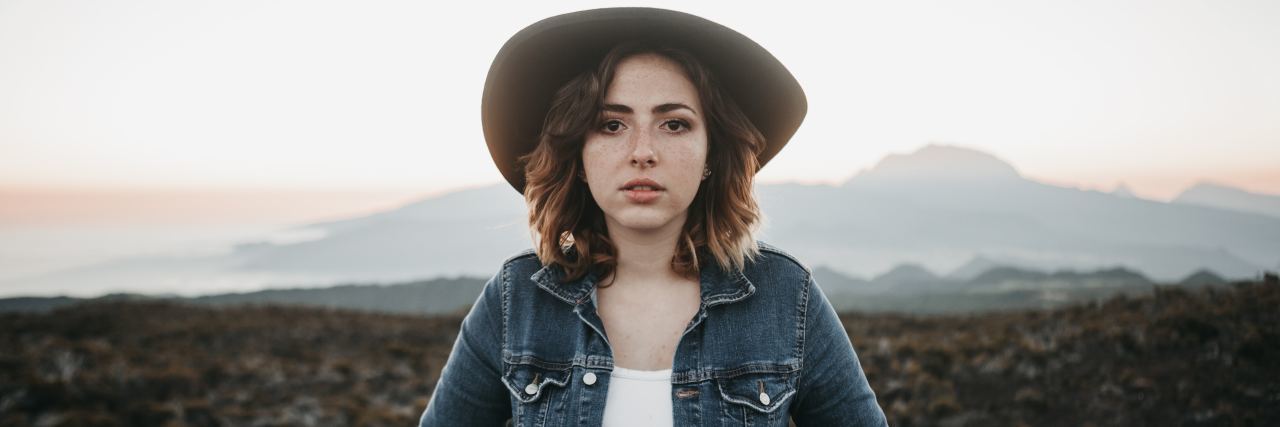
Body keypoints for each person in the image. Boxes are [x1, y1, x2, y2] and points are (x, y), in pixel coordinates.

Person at [419, 7, 887, 426]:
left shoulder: (785, 297)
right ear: (578, 154)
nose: (642, 152)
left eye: (674, 123)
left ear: (710, 154)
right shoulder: (517, 298)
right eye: (611, 124)